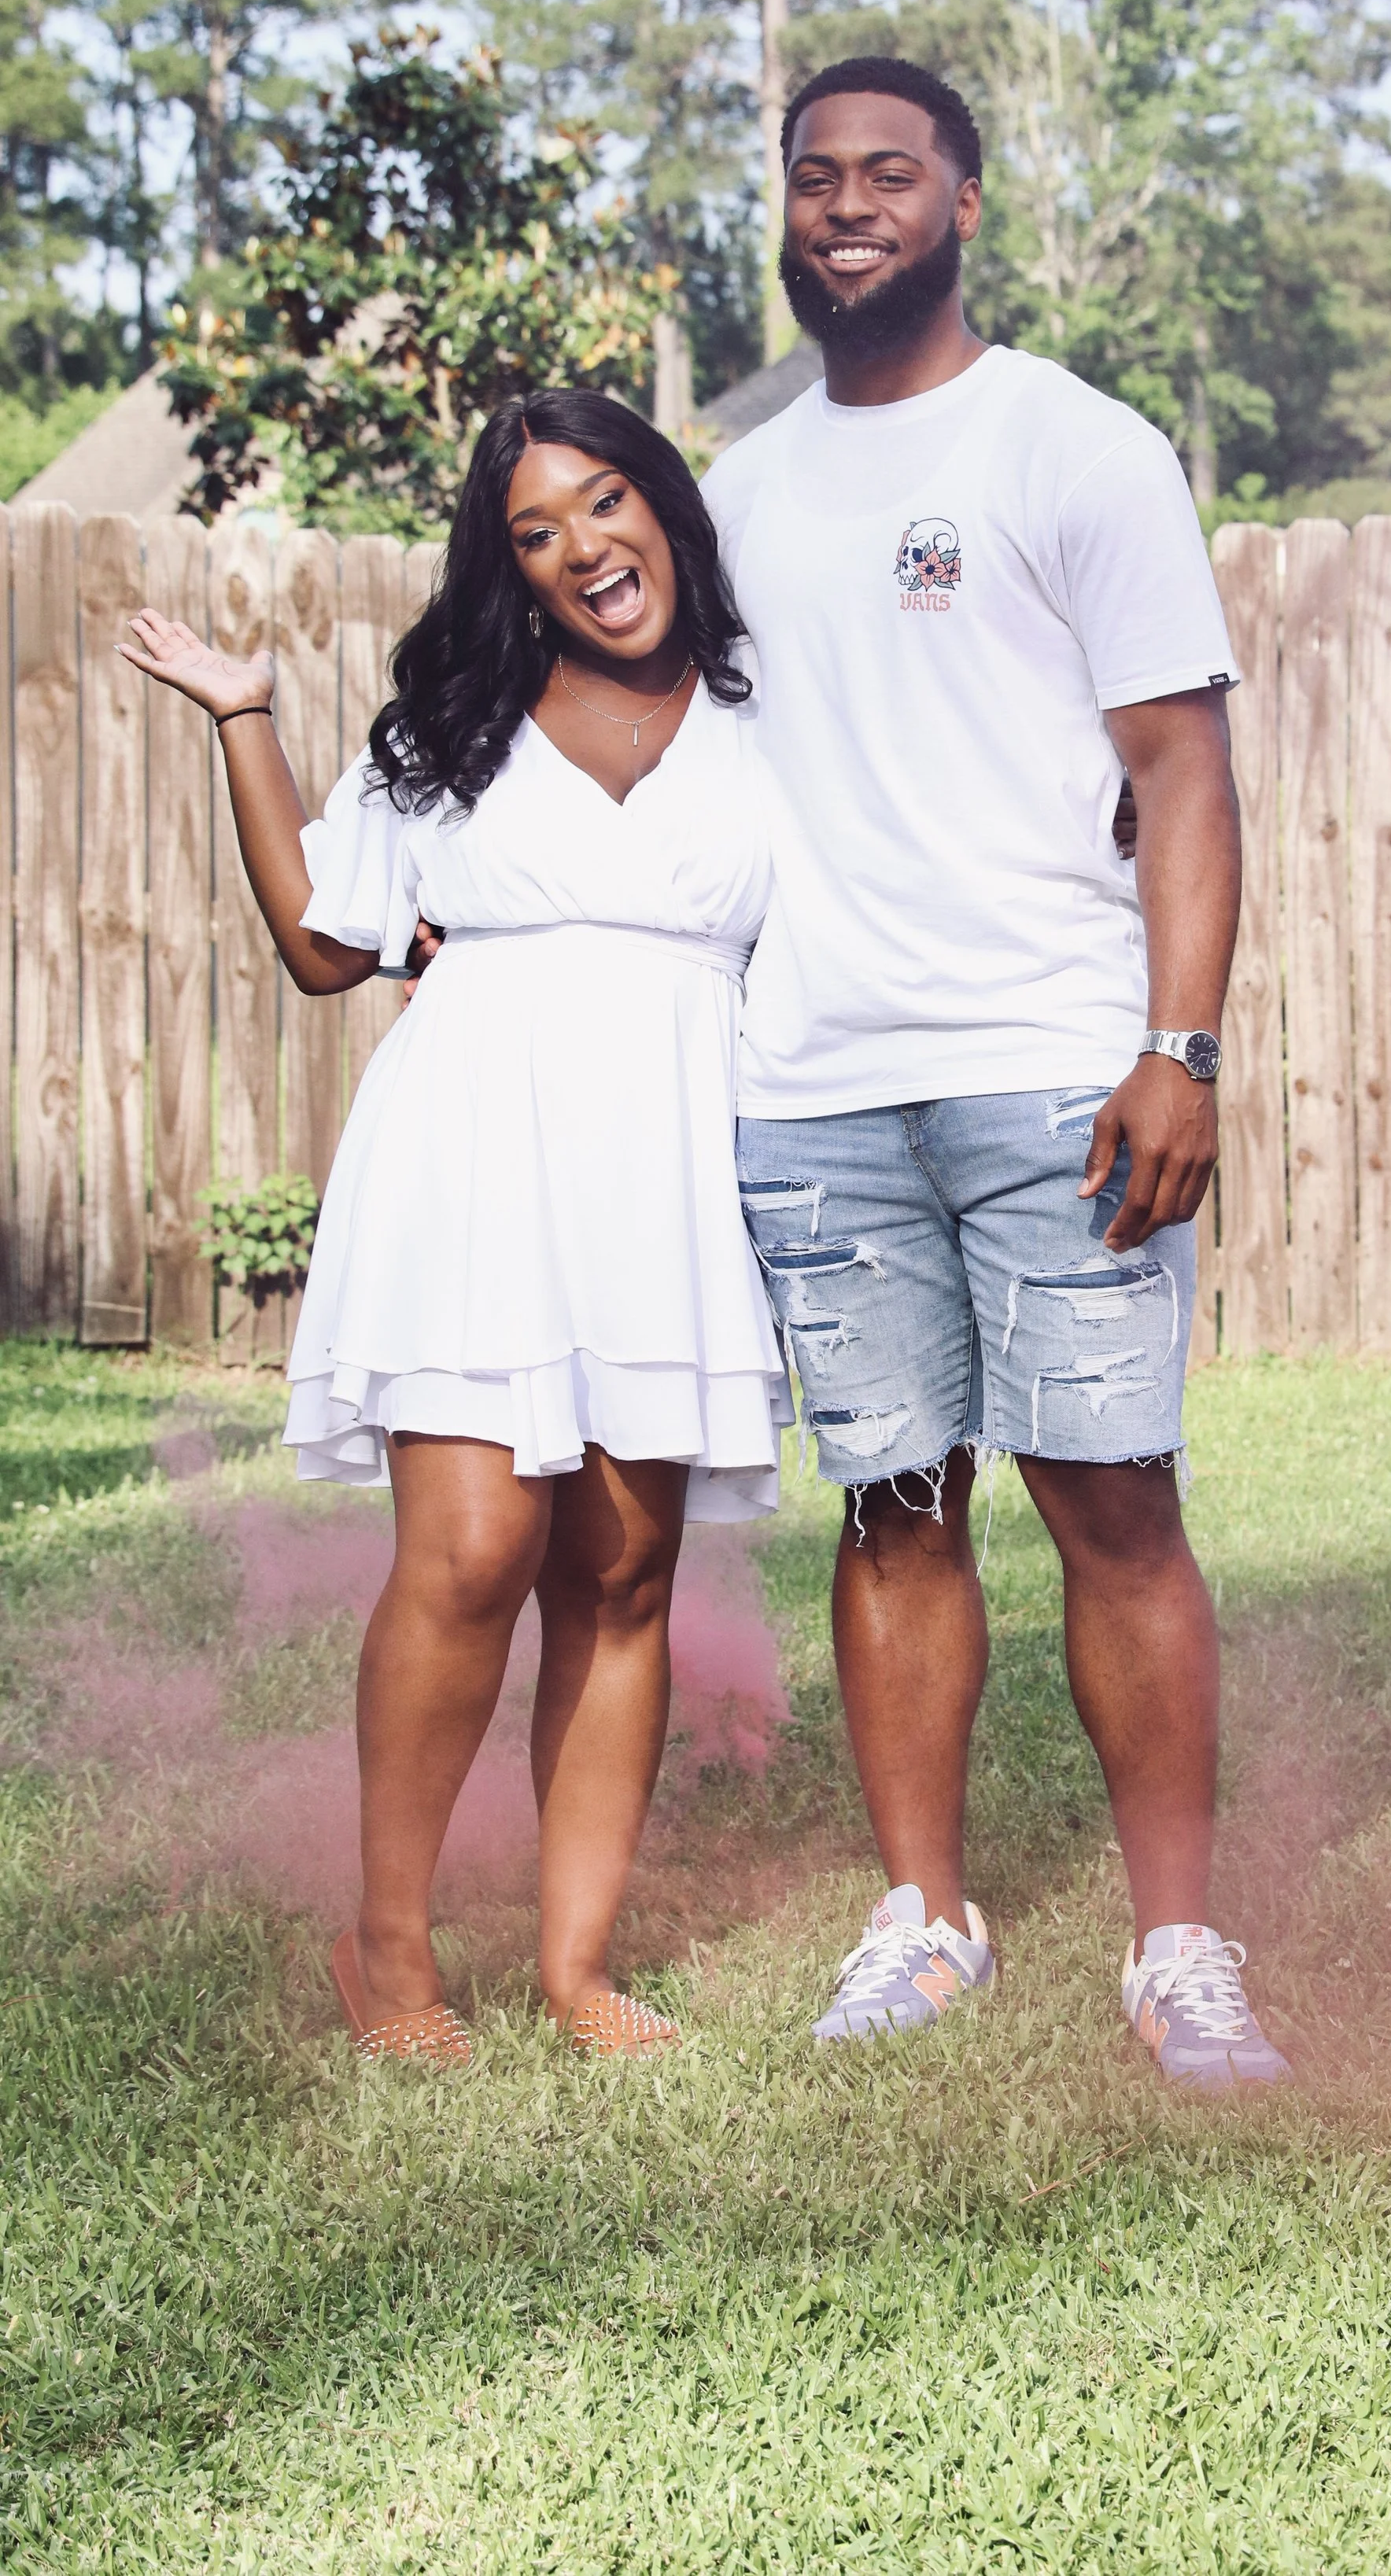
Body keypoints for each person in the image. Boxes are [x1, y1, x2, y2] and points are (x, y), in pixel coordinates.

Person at [706, 54, 1291, 2089]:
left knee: (1113, 1505)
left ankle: (1176, 1942)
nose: (842, 204)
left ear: (962, 201)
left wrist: (1176, 1043)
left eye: (886, 172)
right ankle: (924, 1912)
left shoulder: (1074, 444)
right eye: (810, 177)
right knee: (889, 1506)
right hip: (812, 1081)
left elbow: (1178, 768)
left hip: (1054, 1068)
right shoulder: (738, 488)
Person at [120, 391, 789, 2069]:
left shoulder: (770, 705)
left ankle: (575, 1973)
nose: (581, 549)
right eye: (535, 532)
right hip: (480, 1149)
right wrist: (247, 718)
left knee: (622, 1567)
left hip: (670, 1159)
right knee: (476, 1549)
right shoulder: (459, 719)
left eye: (605, 502)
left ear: (664, 508)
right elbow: (326, 947)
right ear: (511, 571)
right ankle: (390, 1951)